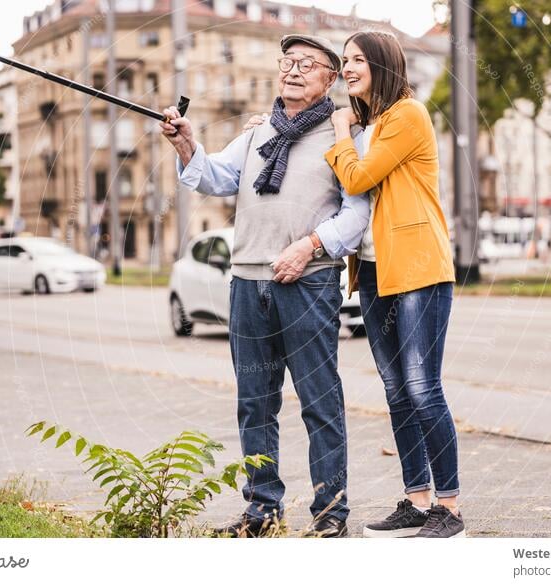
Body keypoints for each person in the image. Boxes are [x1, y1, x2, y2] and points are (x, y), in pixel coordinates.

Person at [160, 34, 369, 538]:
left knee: (320, 401)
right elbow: (212, 176)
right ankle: (262, 511)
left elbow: (357, 211)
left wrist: (311, 247)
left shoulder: (344, 137)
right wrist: (187, 142)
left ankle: (331, 513)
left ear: (329, 78)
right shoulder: (258, 133)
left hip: (309, 285)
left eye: (308, 64)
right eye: (287, 62)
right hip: (247, 284)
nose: (293, 71)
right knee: (254, 402)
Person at [326, 31, 464, 538]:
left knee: (423, 388)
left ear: (383, 65)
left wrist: (341, 128)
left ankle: (448, 509)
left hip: (418, 266)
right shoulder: (372, 123)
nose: (347, 68)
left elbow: (358, 178)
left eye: (358, 59)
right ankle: (416, 500)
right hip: (377, 271)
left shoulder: (407, 114)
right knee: (396, 391)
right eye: (344, 60)